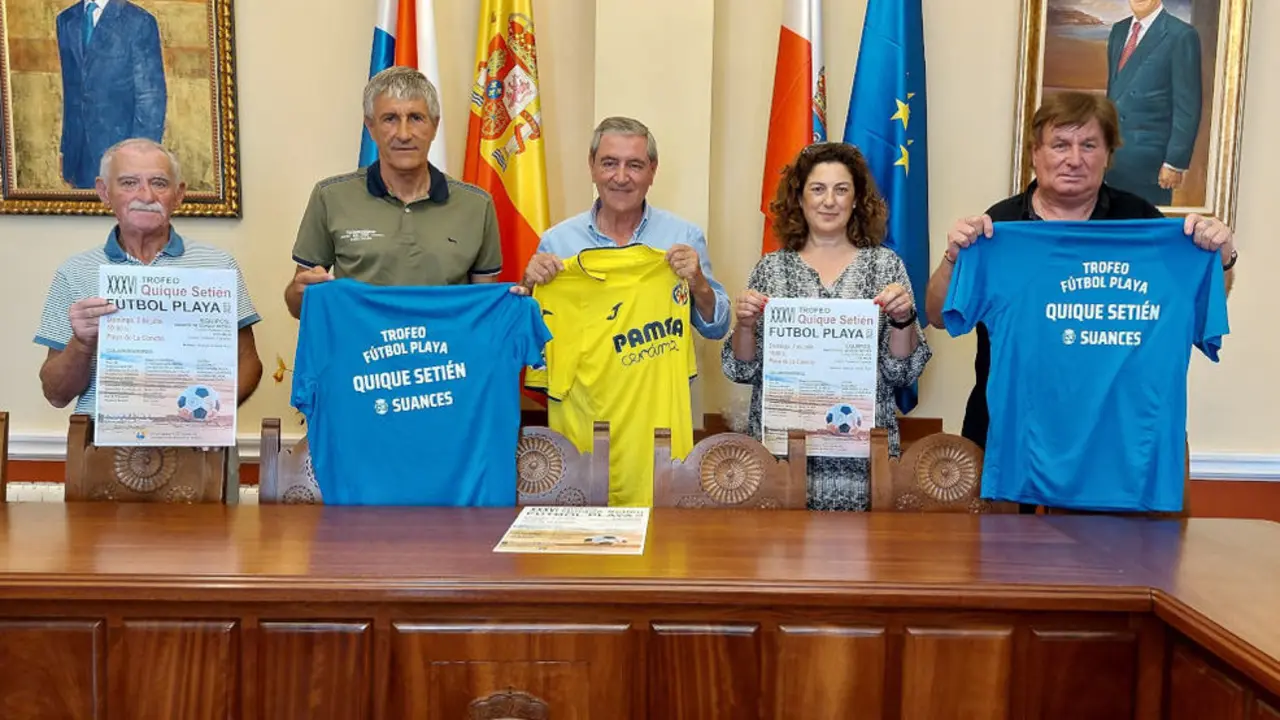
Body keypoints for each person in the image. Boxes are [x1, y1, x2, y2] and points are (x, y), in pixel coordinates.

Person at [923, 91, 1235, 454]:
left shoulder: (1142, 223)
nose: (1074, 159)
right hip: (1006, 435)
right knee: (1000, 513)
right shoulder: (999, 226)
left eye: (1088, 145)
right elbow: (937, 316)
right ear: (1035, 154)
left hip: (1111, 441)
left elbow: (1199, 307)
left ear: (1108, 156)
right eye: (1060, 145)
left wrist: (1223, 259)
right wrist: (952, 258)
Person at [723, 142, 932, 512]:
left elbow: (901, 372)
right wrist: (743, 325)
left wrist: (903, 320)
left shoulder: (885, 266)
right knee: (778, 562)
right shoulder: (771, 269)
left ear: (857, 200)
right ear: (799, 200)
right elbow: (743, 368)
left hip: (863, 460)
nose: (829, 201)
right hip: (783, 457)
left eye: (841, 189)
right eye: (817, 189)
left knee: (863, 564)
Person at [35, 138, 263, 412]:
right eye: (129, 183)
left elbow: (248, 362)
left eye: (159, 183)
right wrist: (82, 343)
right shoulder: (74, 272)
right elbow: (56, 394)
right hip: (102, 448)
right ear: (104, 192)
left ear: (178, 194)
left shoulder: (218, 266)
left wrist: (211, 415)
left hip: (198, 444)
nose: (145, 196)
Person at [285, 67, 502, 318]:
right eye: (390, 119)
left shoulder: (476, 205)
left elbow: (485, 310)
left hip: (445, 356)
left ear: (434, 126)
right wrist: (300, 291)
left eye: (416, 118)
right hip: (359, 354)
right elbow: (297, 307)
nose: (403, 134)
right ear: (370, 127)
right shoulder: (330, 197)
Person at [517, 117, 731, 340]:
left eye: (634, 165)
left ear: (652, 171)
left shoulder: (684, 236)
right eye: (609, 163)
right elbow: (523, 333)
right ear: (592, 166)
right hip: (581, 375)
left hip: (658, 375)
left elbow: (717, 329)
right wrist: (528, 285)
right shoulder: (557, 241)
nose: (620, 178)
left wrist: (699, 283)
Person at [57, 0, 167, 189]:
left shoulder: (139, 22)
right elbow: (72, 92)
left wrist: (140, 159)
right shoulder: (66, 20)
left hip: (121, 153)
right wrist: (66, 149)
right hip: (79, 155)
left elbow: (150, 100)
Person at [1105, 0, 1202, 206]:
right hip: (1112, 160)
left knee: (1143, 232)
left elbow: (1188, 106)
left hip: (1150, 165)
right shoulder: (1119, 30)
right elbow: (1112, 95)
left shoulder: (1181, 35)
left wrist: (1174, 163)